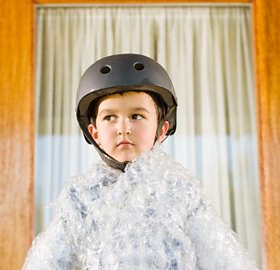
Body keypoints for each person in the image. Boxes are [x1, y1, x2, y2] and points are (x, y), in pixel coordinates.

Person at [23, 54, 257, 269]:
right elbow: (47, 263)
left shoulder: (178, 192)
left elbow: (225, 260)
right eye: (110, 117)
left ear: (162, 128)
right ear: (95, 134)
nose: (123, 128)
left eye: (136, 116)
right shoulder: (82, 198)